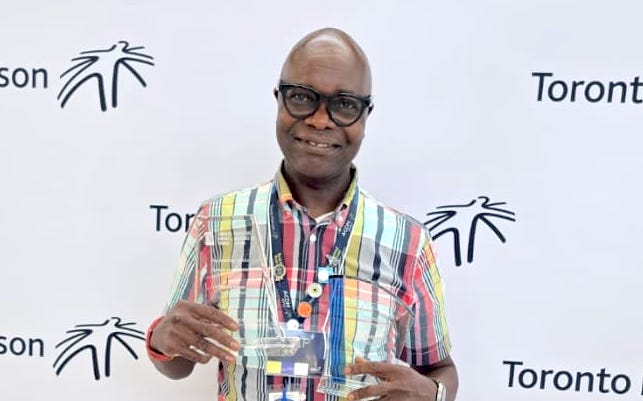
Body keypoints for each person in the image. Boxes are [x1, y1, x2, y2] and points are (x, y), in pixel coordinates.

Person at [146, 27, 459, 401]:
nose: (320, 120)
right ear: (279, 100)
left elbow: (439, 368)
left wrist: (436, 394)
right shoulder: (216, 222)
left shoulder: (406, 242)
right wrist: (162, 339)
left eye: (344, 105)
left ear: (366, 115)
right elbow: (177, 362)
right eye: (301, 97)